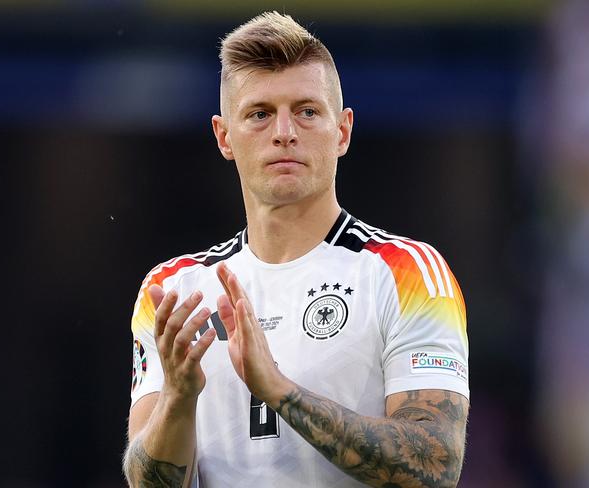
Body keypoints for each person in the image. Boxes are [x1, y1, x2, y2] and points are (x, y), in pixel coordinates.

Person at [123, 11, 469, 488]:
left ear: (343, 131)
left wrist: (282, 392)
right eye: (260, 114)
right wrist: (179, 400)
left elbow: (436, 465)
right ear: (224, 137)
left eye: (307, 111)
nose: (284, 132)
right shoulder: (173, 290)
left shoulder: (407, 272)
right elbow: (148, 483)